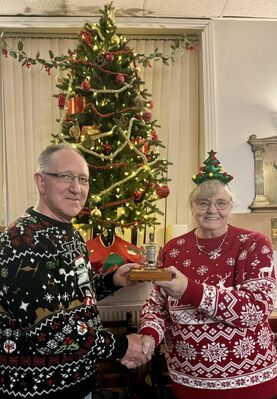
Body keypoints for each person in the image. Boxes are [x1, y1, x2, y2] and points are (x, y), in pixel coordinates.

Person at [0, 144, 152, 399]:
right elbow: (49, 331)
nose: (76, 188)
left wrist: (111, 281)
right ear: (41, 181)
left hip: (78, 383)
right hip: (36, 391)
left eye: (83, 179)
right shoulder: (21, 241)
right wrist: (123, 345)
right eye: (66, 177)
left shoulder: (69, 233)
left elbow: (73, 293)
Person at [139, 150, 277, 399]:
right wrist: (149, 337)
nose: (212, 209)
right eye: (203, 202)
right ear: (192, 206)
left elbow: (256, 309)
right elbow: (156, 305)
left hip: (248, 381)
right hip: (188, 379)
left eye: (221, 203)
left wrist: (189, 290)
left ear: (231, 206)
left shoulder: (254, 243)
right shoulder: (173, 248)